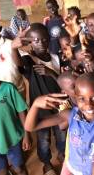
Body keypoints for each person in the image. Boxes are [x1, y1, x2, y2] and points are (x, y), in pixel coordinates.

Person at [25, 73, 94, 175]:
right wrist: (35, 104)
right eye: (82, 99)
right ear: (76, 98)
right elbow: (30, 127)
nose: (88, 105)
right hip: (70, 168)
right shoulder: (70, 115)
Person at [18, 23, 65, 175]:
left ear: (49, 39)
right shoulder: (29, 60)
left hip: (59, 108)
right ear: (30, 42)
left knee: (62, 135)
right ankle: (47, 163)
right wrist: (15, 47)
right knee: (43, 140)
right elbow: (21, 66)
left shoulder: (56, 57)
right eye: (36, 40)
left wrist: (51, 73)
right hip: (41, 110)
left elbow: (64, 82)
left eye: (44, 39)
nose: (41, 43)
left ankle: (62, 153)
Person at [0, 53, 31, 175]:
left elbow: (22, 111)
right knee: (2, 171)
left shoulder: (8, 88)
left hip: (14, 138)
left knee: (20, 168)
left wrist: (27, 134)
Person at [0, 14, 26, 96]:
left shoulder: (10, 44)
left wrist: (14, 49)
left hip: (15, 94)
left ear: (0, 29)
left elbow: (22, 69)